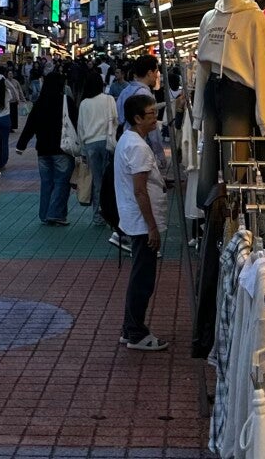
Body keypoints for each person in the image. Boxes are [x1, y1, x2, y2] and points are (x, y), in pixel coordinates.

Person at [115, 92, 169, 351]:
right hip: (141, 222)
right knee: (143, 279)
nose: (155, 119)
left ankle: (130, 328)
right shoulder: (137, 147)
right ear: (137, 118)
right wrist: (152, 227)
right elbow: (140, 190)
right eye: (151, 114)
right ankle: (136, 332)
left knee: (140, 275)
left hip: (135, 219)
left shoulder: (129, 140)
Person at [15, 63, 79, 225]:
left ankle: (45, 214)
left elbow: (30, 125)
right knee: (61, 182)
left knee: (47, 183)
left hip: (42, 150)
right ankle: (56, 214)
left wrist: (21, 145)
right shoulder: (66, 101)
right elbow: (76, 122)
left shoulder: (40, 102)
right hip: (62, 149)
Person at [75, 66, 119, 229]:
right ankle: (111, 215)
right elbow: (115, 120)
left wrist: (82, 150)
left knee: (97, 182)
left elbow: (80, 128)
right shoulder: (109, 99)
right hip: (107, 143)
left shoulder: (84, 103)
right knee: (110, 181)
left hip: (90, 145)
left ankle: (97, 216)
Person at [115, 54, 162, 126]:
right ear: (149, 73)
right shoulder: (144, 94)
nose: (157, 75)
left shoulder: (126, 90)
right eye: (156, 72)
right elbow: (149, 122)